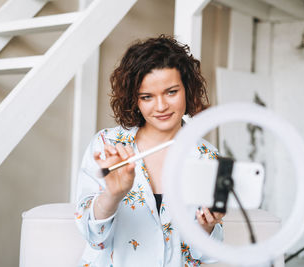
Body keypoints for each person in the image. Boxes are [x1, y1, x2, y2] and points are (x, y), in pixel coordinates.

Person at [75, 35, 224, 267]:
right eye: (147, 97)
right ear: (135, 99)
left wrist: (207, 226)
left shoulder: (207, 156)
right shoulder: (107, 145)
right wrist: (112, 195)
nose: (161, 106)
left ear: (187, 88)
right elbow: (93, 237)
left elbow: (205, 255)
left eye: (171, 92)